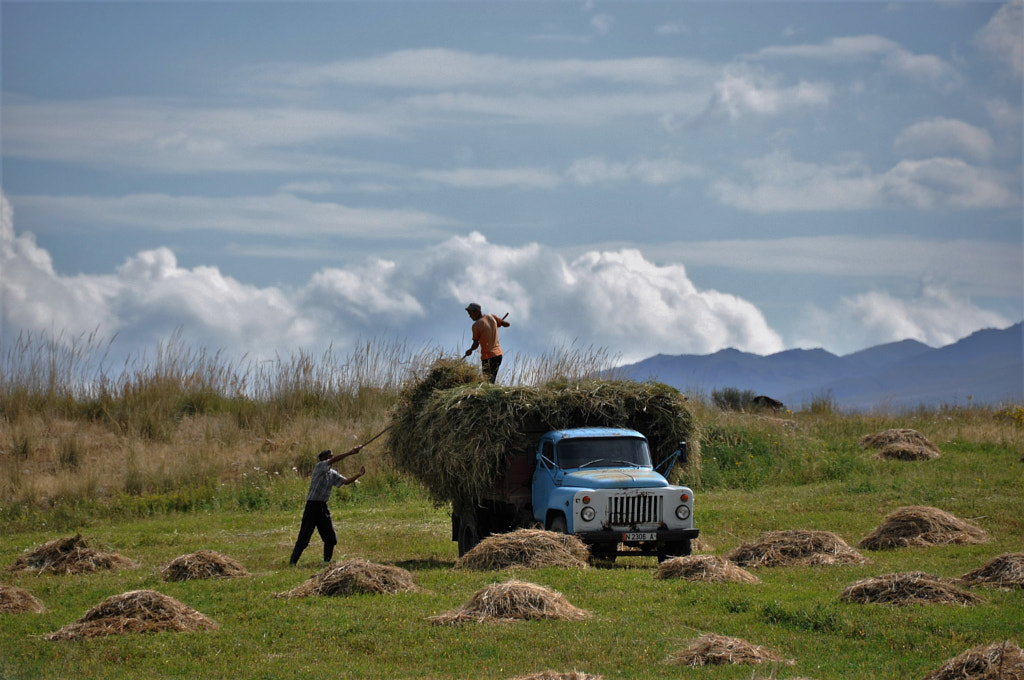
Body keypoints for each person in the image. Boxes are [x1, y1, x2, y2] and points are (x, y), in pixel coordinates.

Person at [288, 446, 365, 566]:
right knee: (304, 537)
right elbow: (333, 461)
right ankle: (292, 562)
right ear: (324, 459)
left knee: (331, 538)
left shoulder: (332, 473)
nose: (333, 458)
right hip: (312, 507)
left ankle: (326, 562)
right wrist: (350, 452)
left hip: (323, 507)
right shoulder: (319, 467)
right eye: (330, 456)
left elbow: (345, 482)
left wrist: (358, 475)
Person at [463, 302, 510, 383]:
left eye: (470, 313)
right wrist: (499, 322)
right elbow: (507, 324)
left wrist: (470, 350)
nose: (470, 316)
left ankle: (492, 395)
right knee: (490, 381)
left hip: (488, 357)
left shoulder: (476, 326)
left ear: (477, 311)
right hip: (498, 355)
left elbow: (475, 344)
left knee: (488, 382)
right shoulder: (491, 317)